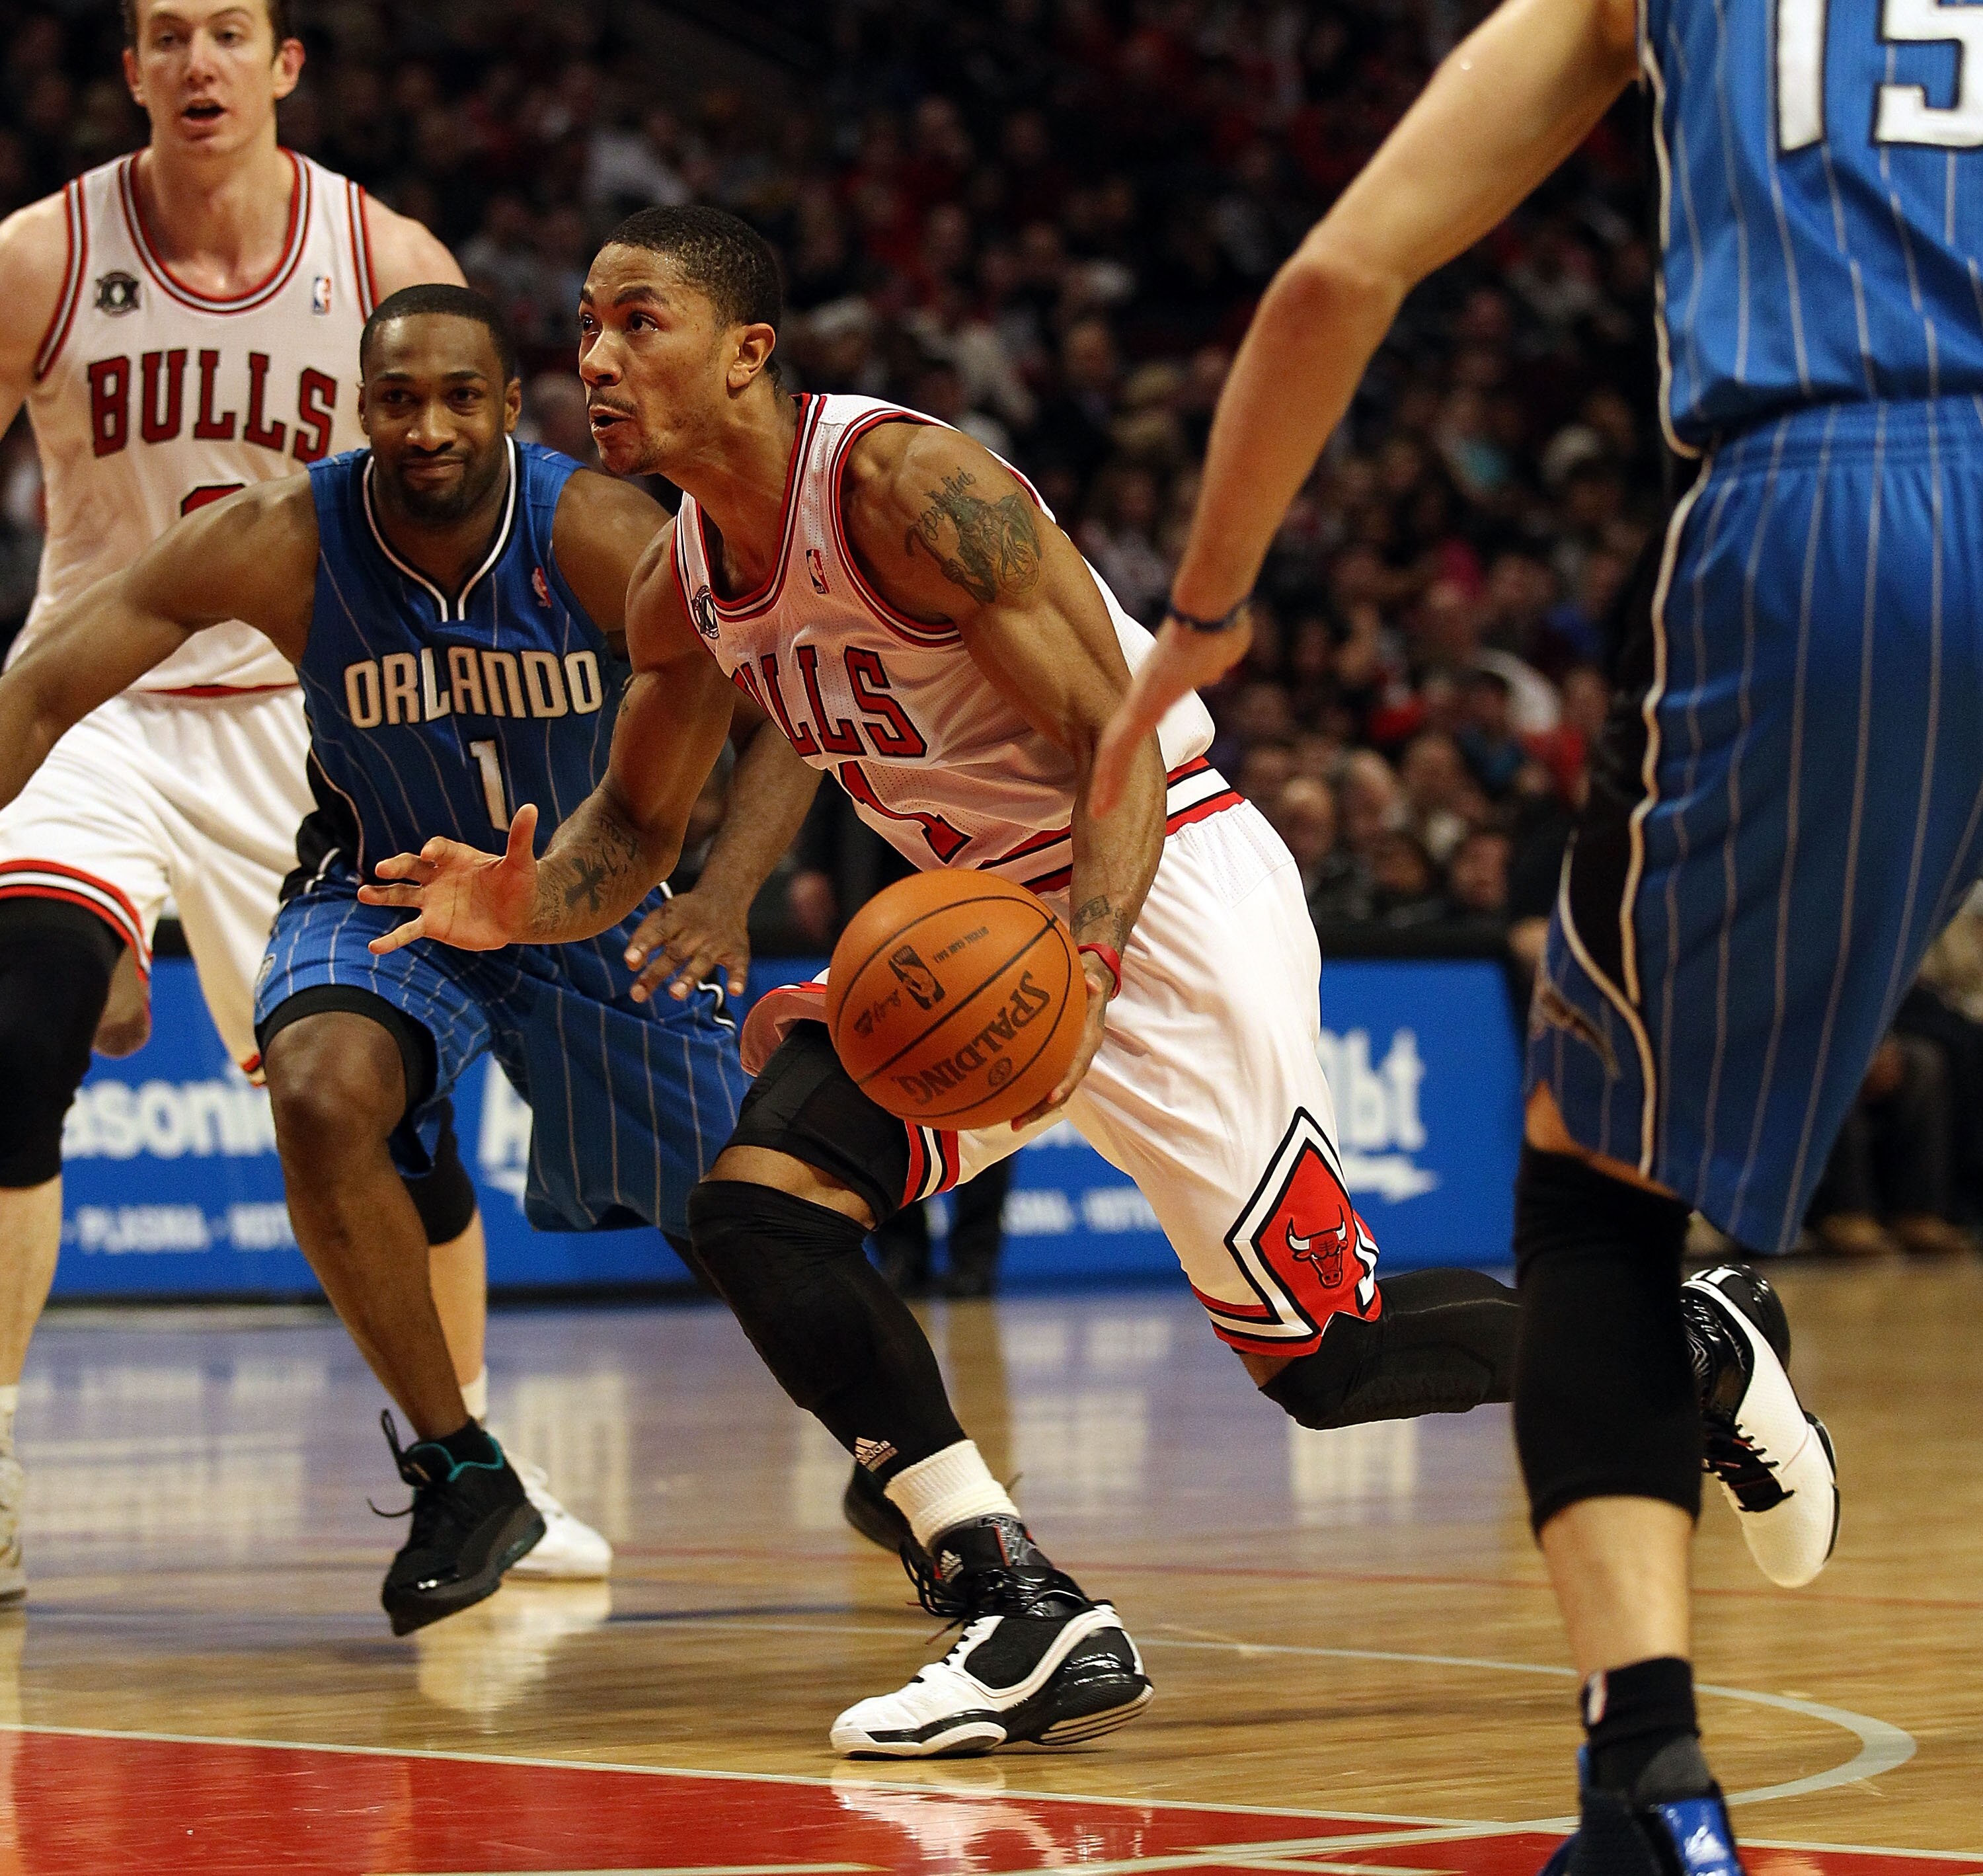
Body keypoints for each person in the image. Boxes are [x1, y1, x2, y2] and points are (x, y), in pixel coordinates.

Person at [366, 206, 1817, 1761]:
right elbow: (640, 825)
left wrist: (1093, 963)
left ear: (749, 353)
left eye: (638, 321)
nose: (595, 356)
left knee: (1331, 1364)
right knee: (761, 1210)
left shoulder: (909, 489)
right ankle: (1012, 1600)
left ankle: (1700, 1345)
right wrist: (522, 903)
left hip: (1162, 895)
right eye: (585, 323)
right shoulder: (683, 583)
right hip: (987, 931)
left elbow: (1113, 739)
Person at [1081, 0, 1957, 1854]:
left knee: (1596, 1195)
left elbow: (1337, 273)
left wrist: (1213, 615)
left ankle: (1647, 1782)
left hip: (1830, 500)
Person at [0, 286, 818, 1634]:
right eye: (396, 400)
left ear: (509, 405)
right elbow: (39, 687)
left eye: (456, 397)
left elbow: (784, 692)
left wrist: (726, 890)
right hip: (387, 890)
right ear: (356, 410)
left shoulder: (604, 532)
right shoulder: (281, 539)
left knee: (756, 1220)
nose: (426, 425)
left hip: (591, 898)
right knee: (321, 1092)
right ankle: (462, 1469)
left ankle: (920, 1476)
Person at [0, 0, 603, 1593]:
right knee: (9, 1031)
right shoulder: (39, 257)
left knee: (386, 1121)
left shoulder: (380, 248)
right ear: (128, 71)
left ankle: (473, 1457)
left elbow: (465, 509)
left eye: (229, 31)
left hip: (316, 730)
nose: (198, 63)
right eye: (165, 36)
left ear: (285, 66)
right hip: (100, 710)